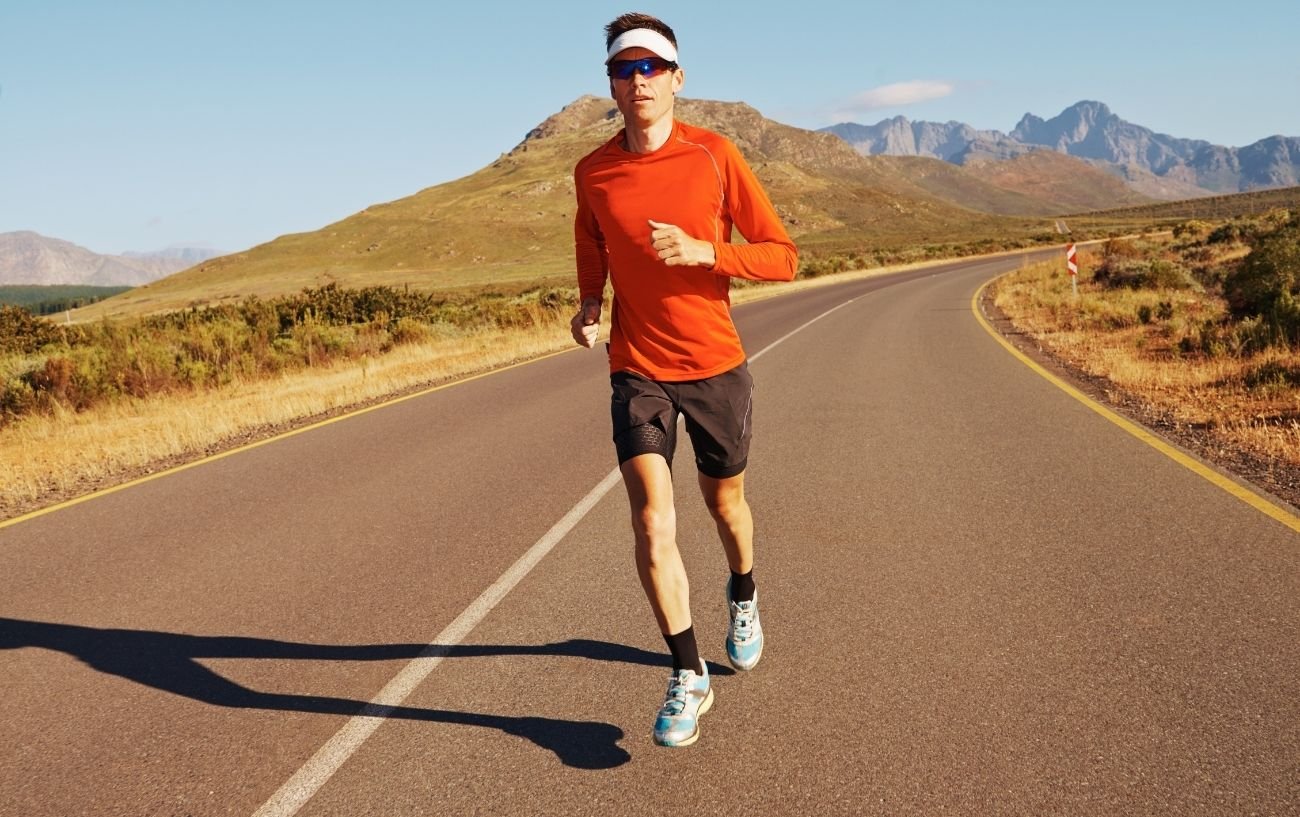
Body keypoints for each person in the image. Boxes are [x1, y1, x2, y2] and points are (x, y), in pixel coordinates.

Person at [570, 12, 798, 748]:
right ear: (609, 82)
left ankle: (743, 591)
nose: (637, 81)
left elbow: (783, 256)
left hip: (715, 368)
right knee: (648, 519)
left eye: (650, 68)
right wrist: (589, 301)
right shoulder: (594, 171)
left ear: (676, 78)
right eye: (623, 69)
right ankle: (687, 672)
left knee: (727, 507)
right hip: (638, 368)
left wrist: (708, 252)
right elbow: (592, 237)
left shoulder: (714, 157)